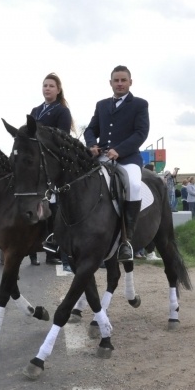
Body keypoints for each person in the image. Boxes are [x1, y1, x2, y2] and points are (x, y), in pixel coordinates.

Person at [84, 65, 150, 261]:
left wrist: (119, 150)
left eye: (123, 80)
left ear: (130, 82)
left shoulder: (140, 104)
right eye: (116, 80)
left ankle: (127, 240)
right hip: (102, 156)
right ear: (110, 83)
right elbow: (90, 129)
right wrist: (91, 144)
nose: (119, 83)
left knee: (135, 185)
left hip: (128, 158)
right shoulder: (102, 105)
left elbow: (141, 133)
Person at [30, 72, 74, 267]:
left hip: (53, 160)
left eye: (51, 86)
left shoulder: (62, 111)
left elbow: (61, 137)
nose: (47, 88)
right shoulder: (35, 110)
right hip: (35, 160)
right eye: (45, 85)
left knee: (55, 205)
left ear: (58, 89)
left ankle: (57, 247)